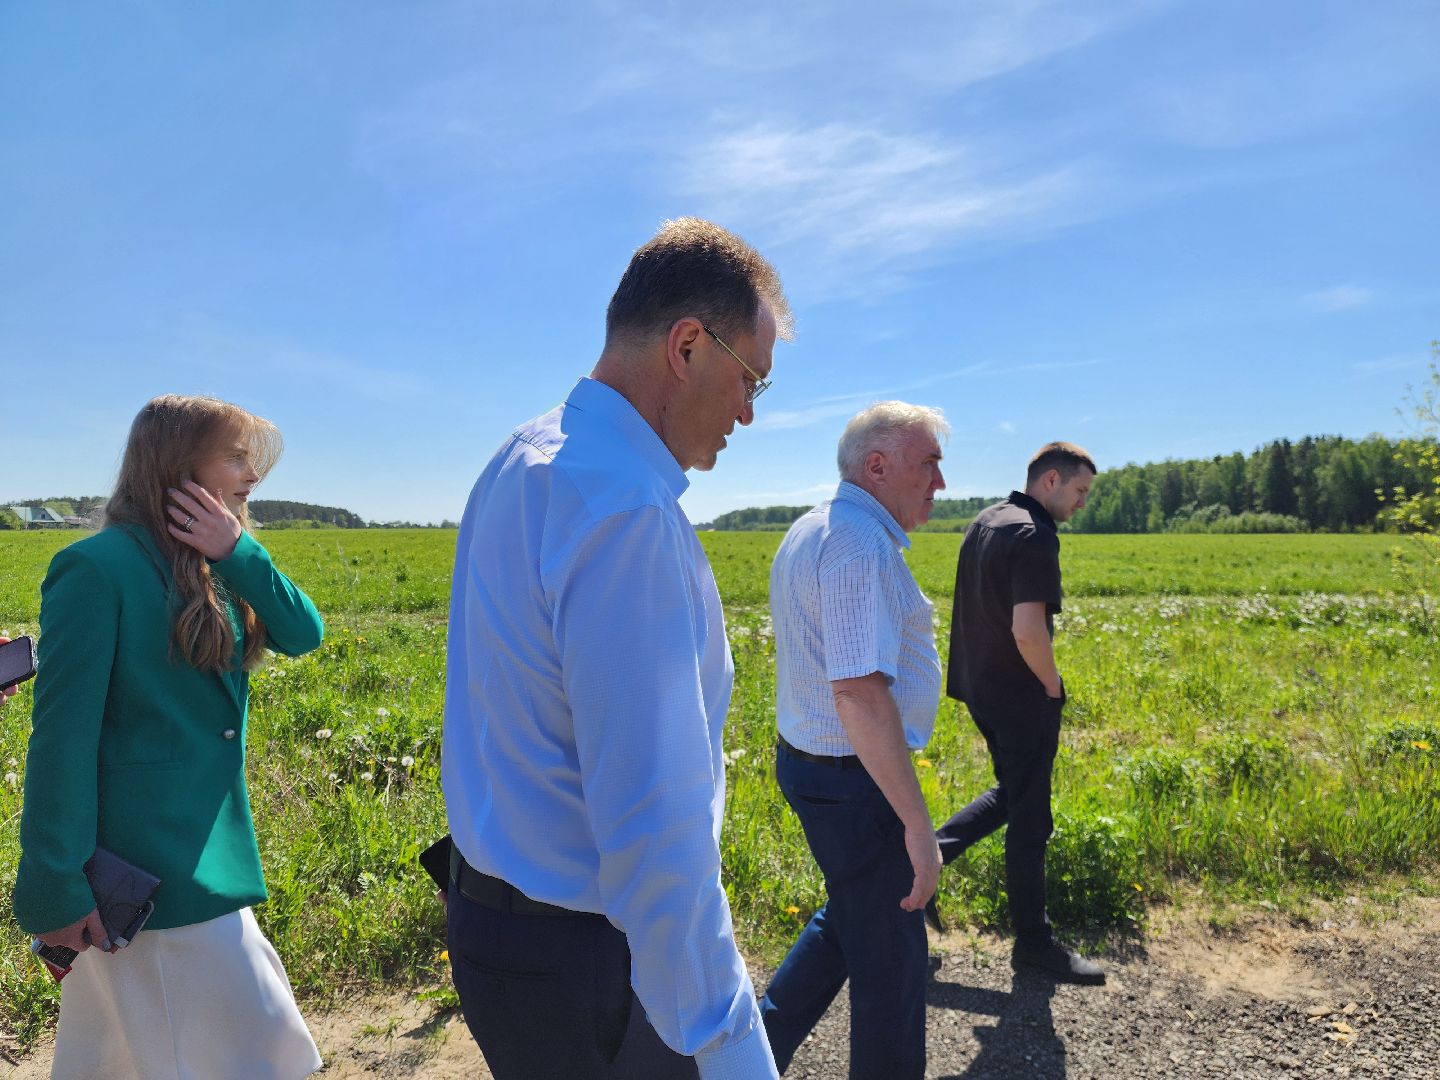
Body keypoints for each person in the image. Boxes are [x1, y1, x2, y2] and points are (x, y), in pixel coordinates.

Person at [442, 217, 792, 1079]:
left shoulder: (526, 457)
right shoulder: (624, 509)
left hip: (500, 933)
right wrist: (727, 1040)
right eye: (751, 379)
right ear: (685, 346)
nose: (749, 412)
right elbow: (652, 826)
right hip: (588, 962)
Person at [14, 395, 326, 1079]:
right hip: (147, 879)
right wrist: (54, 886)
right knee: (254, 1053)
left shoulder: (217, 560)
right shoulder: (94, 569)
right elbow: (62, 740)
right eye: (236, 456)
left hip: (198, 864)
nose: (252, 475)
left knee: (135, 1059)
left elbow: (305, 632)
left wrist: (238, 550)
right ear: (178, 464)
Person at [759, 402, 949, 1078]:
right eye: (929, 462)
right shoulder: (858, 543)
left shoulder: (814, 528)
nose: (941, 481)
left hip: (824, 767)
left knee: (851, 919)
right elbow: (860, 694)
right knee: (893, 968)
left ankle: (751, 1053)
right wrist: (917, 826)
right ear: (878, 465)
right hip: (852, 779)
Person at [930, 440, 1104, 984]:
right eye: (1079, 491)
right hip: (1020, 695)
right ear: (1049, 480)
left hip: (981, 690)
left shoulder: (988, 520)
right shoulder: (1033, 535)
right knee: (1031, 821)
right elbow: (1028, 631)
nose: (1082, 504)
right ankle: (1034, 945)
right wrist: (1052, 687)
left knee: (1013, 794)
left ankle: (922, 862)